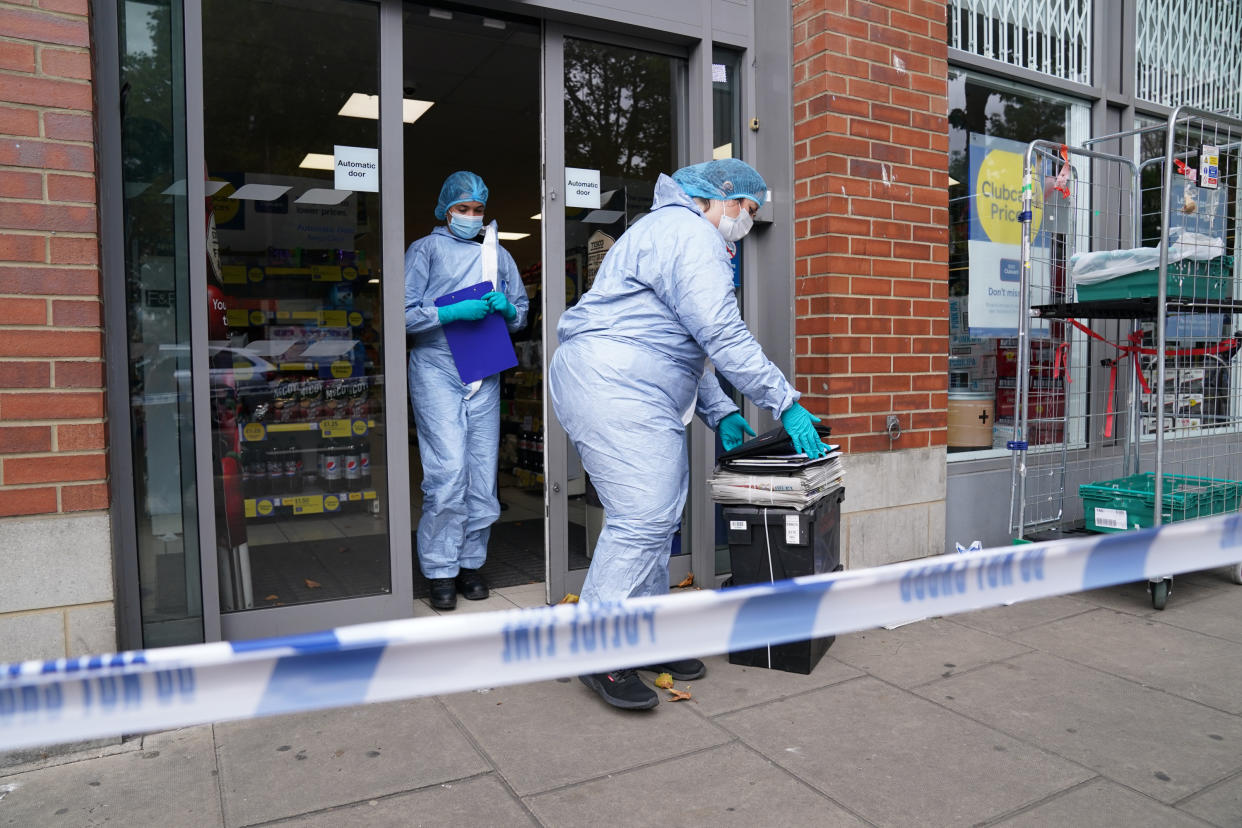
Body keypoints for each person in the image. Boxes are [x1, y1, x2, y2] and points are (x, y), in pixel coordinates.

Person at [548, 158, 828, 710]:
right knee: (643, 514)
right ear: (718, 197)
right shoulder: (689, 233)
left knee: (657, 514)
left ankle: (644, 636)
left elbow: (682, 344)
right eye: (747, 209)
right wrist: (785, 401)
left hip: (630, 380)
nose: (748, 221)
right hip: (617, 382)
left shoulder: (671, 231)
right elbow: (720, 332)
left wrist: (721, 411)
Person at [405, 171, 529, 610]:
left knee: (480, 473)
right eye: (463, 209)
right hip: (436, 367)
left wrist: (510, 308)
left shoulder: (500, 257)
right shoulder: (425, 250)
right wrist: (452, 311)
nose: (471, 217)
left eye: (478, 210)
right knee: (448, 471)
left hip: (484, 369)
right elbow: (403, 314)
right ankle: (439, 568)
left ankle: (469, 563)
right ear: (445, 210)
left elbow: (522, 315)